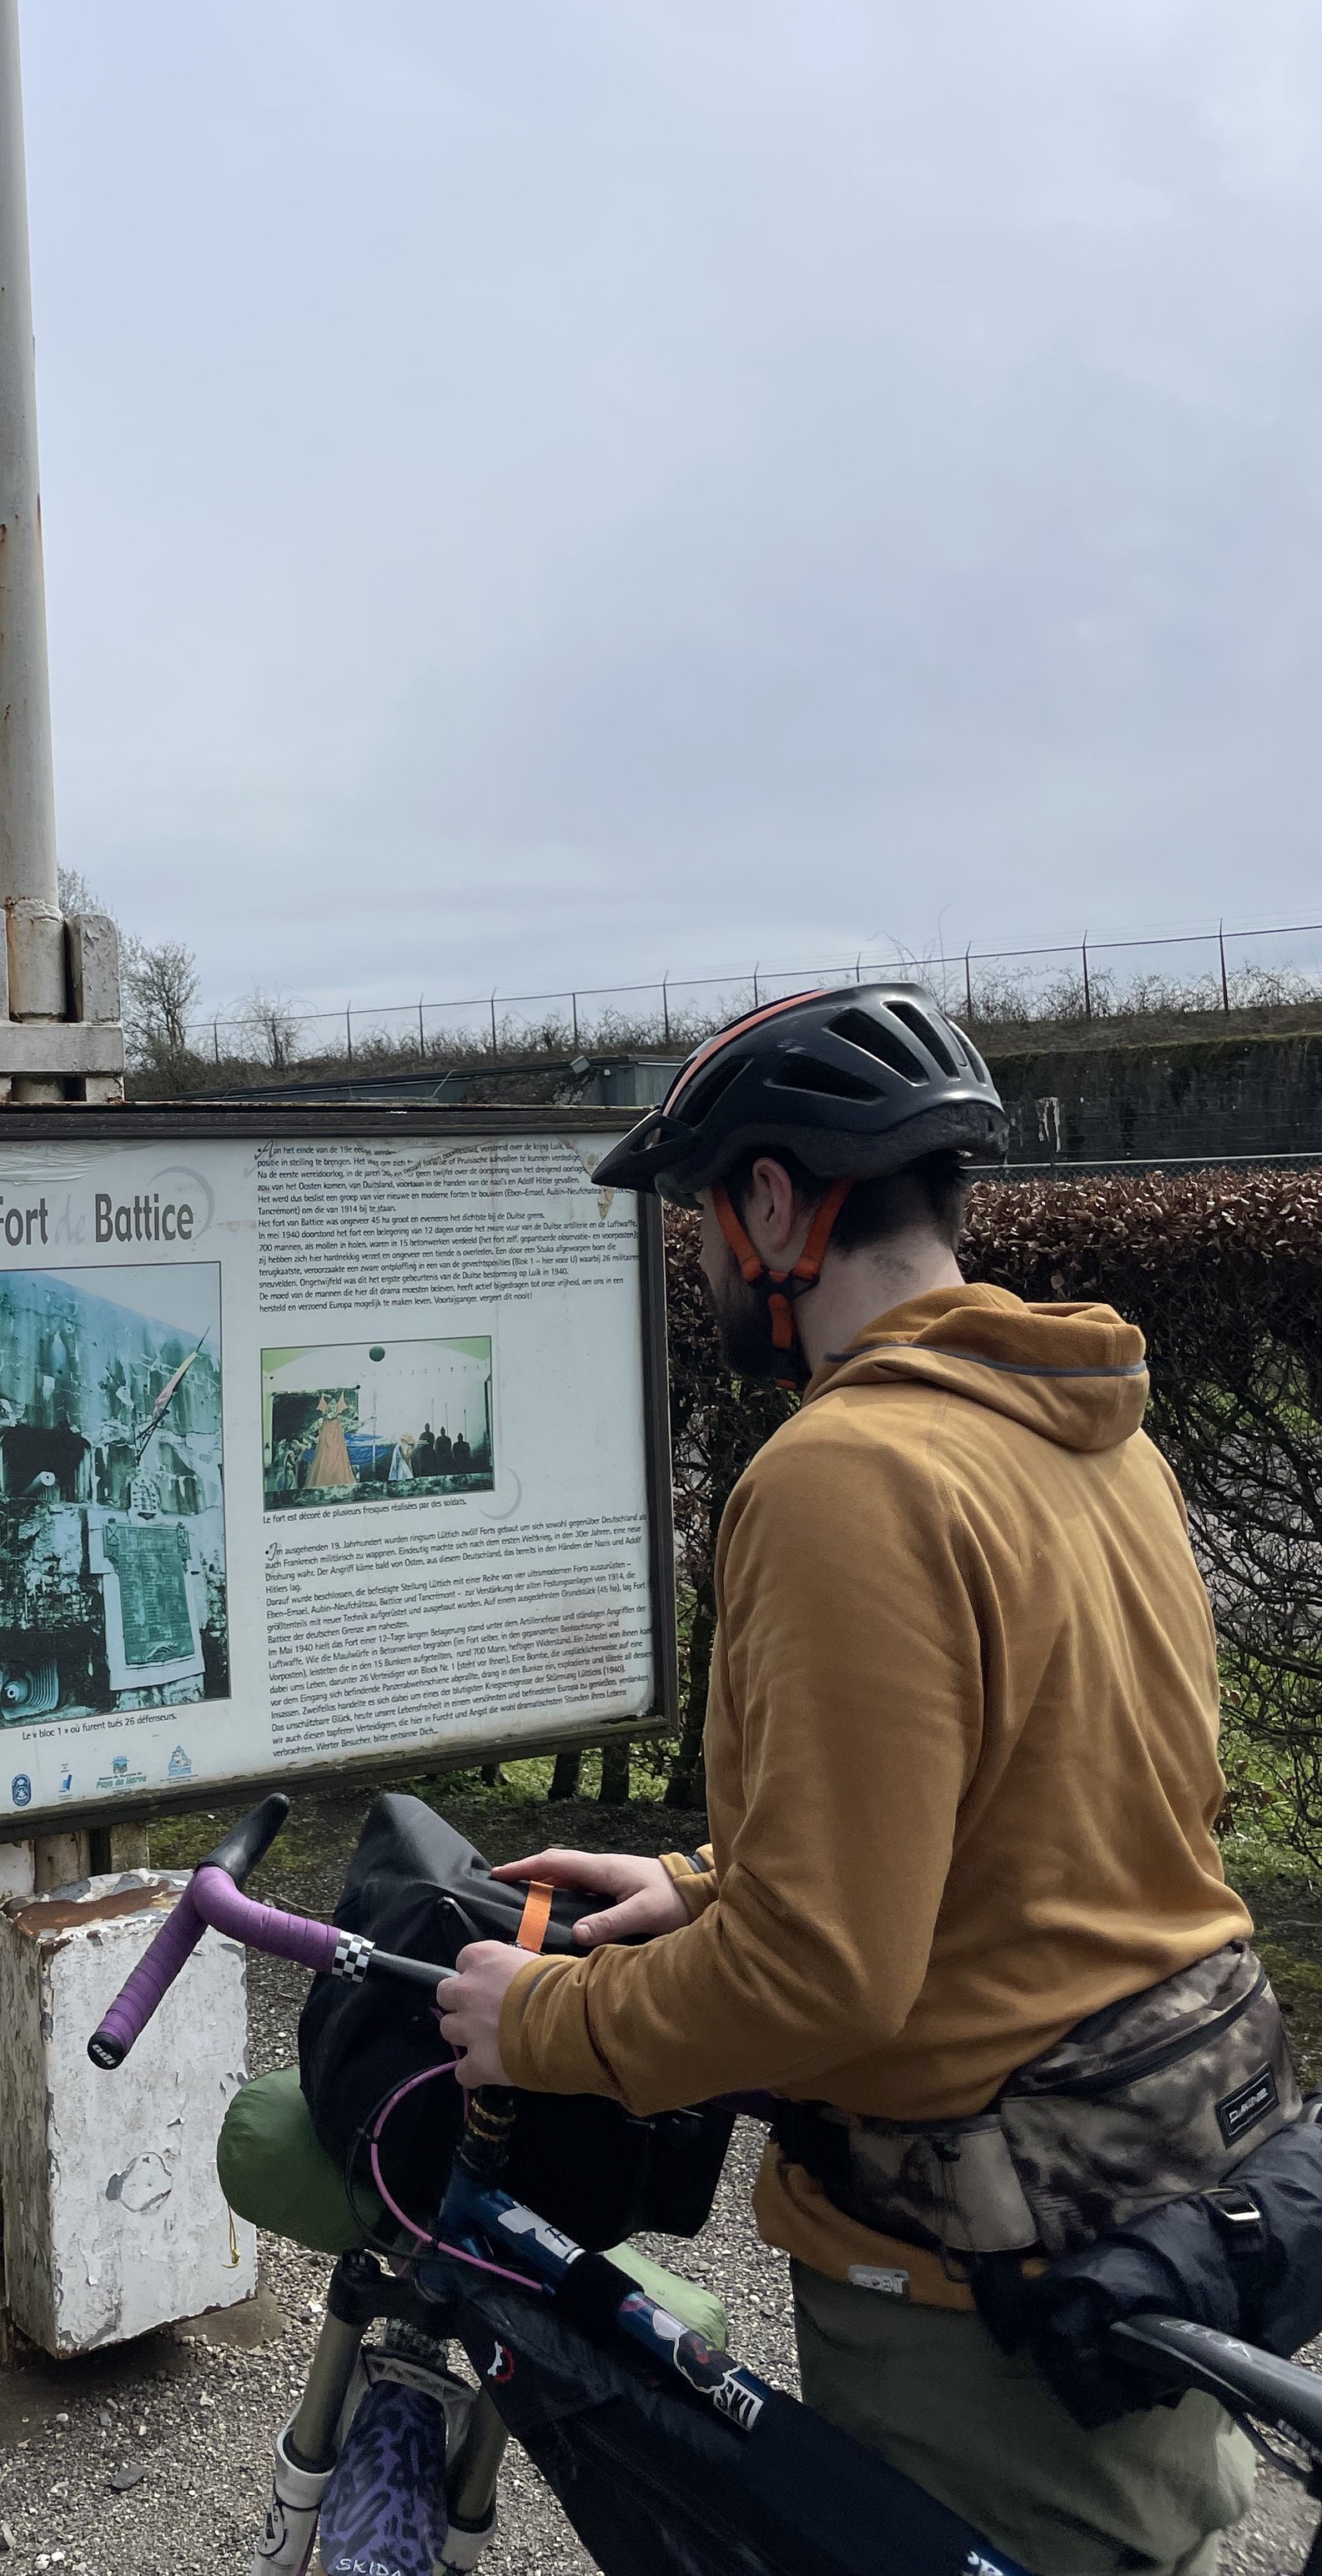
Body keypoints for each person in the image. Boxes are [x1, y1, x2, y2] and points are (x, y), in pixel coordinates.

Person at [436, 982, 1268, 2576]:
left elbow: (826, 1977)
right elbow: (1056, 1820)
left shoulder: (842, 1475)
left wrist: (533, 2022)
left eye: (695, 1218)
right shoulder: (1091, 1431)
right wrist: (694, 1881)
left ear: (772, 1203)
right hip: (1158, 2200)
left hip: (978, 2298)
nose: (693, 1261)